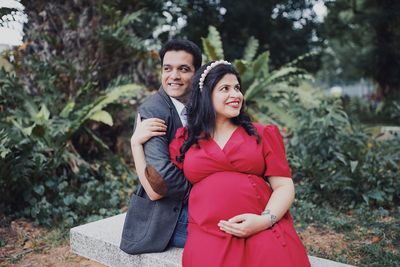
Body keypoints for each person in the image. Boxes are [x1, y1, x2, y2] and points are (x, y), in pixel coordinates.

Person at [132, 60, 311, 266]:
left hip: (261, 227)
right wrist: (136, 144)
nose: (235, 95)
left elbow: (283, 186)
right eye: (225, 88)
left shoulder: (262, 134)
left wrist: (264, 220)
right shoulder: (186, 139)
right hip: (209, 233)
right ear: (206, 96)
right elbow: (155, 191)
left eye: (237, 88)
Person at [119, 39, 202, 254]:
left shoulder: (201, 104)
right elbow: (160, 181)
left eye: (183, 69)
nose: (173, 76)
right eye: (167, 69)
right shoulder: (153, 110)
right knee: (229, 234)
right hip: (165, 217)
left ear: (196, 73)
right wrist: (204, 194)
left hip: (193, 205)